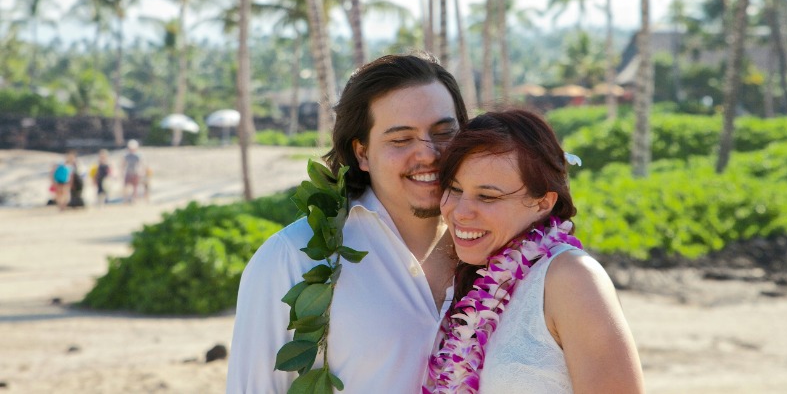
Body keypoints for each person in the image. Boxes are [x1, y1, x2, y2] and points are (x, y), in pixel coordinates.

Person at [226, 53, 469, 393]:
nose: (429, 154)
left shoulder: (501, 250)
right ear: (362, 153)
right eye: (401, 139)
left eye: (444, 132)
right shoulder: (291, 258)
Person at [424, 109, 644, 394]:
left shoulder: (573, 278)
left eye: (487, 196)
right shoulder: (463, 281)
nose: (461, 212)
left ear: (542, 203)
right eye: (454, 189)